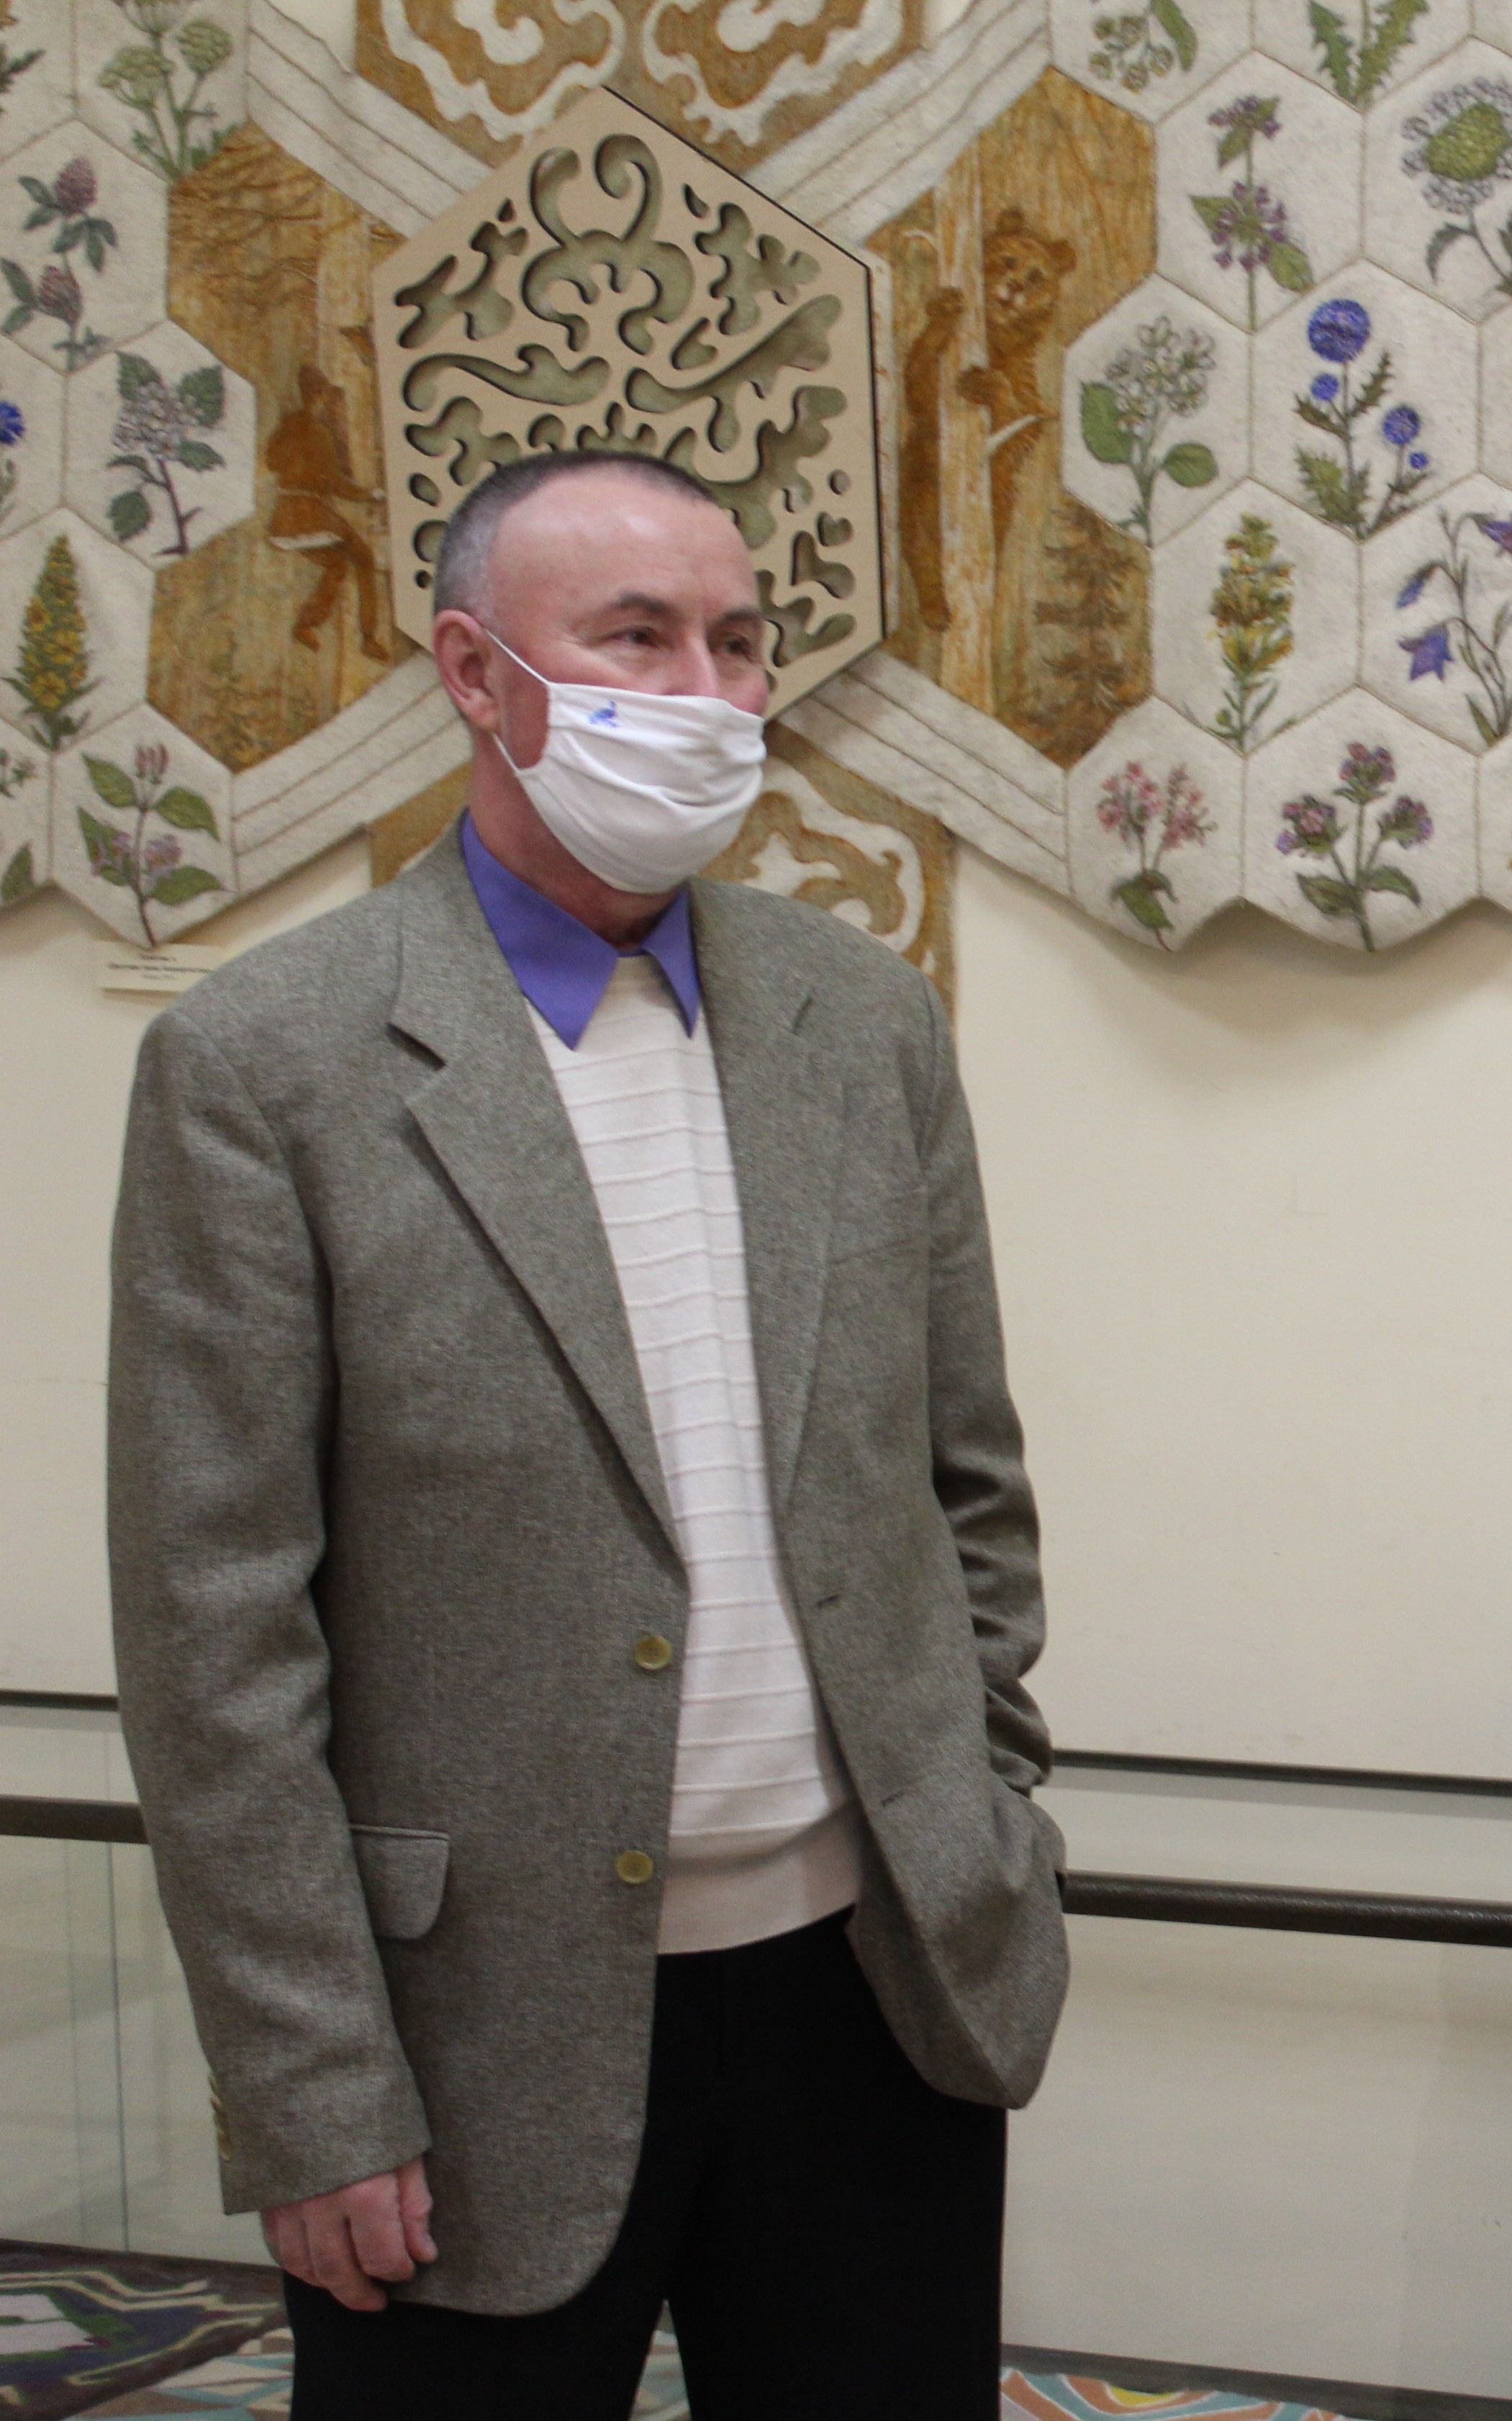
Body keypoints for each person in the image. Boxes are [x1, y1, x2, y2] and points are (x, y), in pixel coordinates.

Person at [107, 451, 1065, 2417]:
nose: (705, 690)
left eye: (738, 640)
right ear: (477, 670)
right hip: (468, 2037)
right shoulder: (265, 1064)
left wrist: (992, 1829)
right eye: (635, 637)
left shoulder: (861, 1018)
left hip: (873, 1986)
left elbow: (964, 1480)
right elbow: (217, 1641)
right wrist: (310, 2086)